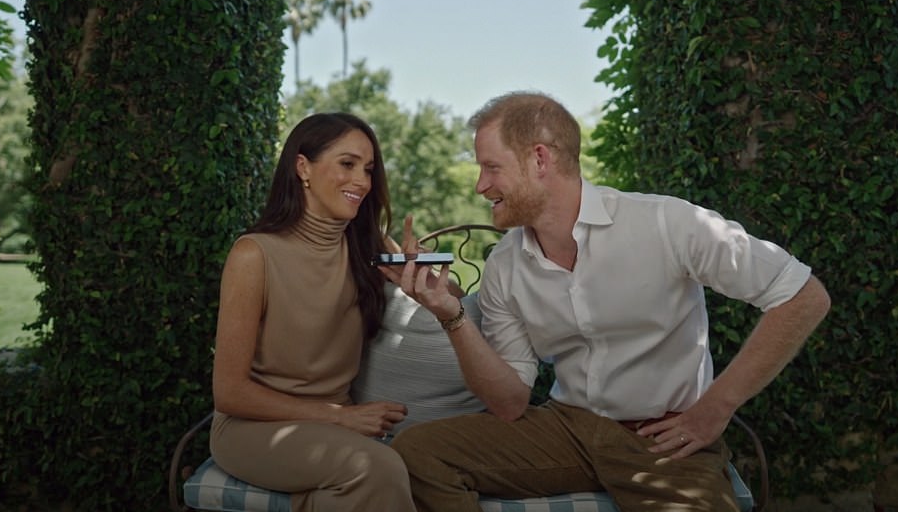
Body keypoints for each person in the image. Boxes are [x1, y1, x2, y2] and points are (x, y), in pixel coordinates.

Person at [383, 92, 831, 512]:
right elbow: (509, 404)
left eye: (491, 167)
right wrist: (451, 314)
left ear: (539, 158)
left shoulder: (666, 223)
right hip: (567, 429)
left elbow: (802, 295)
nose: (481, 185)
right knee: (419, 452)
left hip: (661, 439)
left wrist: (716, 407)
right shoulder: (505, 266)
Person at [209, 112, 415, 512]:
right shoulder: (254, 255)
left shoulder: (368, 245)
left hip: (329, 430)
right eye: (347, 164)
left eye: (368, 170)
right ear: (303, 167)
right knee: (378, 468)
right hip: (253, 429)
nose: (362, 181)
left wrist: (420, 278)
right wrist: (340, 418)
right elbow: (229, 393)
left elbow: (456, 298)